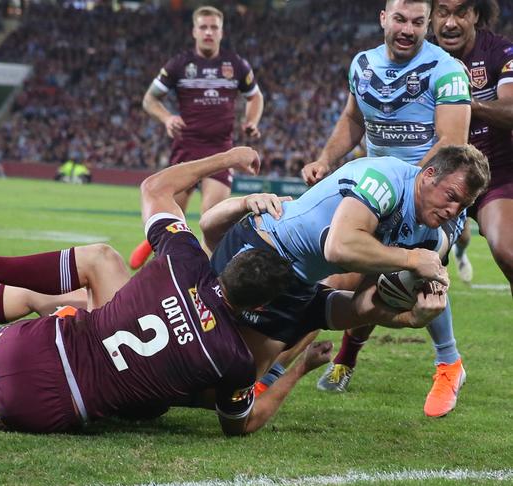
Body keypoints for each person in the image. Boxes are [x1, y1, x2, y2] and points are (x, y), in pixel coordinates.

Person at [0, 147, 334, 435]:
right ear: (261, 305)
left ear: (230, 261)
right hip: (61, 402)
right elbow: (241, 424)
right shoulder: (231, 359)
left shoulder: (184, 262)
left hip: (45, 345)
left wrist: (230, 159)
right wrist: (300, 368)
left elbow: (156, 188)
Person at [202, 144, 489, 415]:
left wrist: (411, 318)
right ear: (429, 175)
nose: (453, 210)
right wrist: (411, 259)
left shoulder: (424, 233)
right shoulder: (384, 180)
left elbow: (360, 308)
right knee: (196, 336)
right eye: (451, 196)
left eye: (462, 205)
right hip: (262, 247)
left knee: (231, 388)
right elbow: (338, 247)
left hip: (299, 287)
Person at [300, 0, 474, 417]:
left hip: (431, 199)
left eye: (418, 22)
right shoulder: (362, 65)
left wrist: (401, 187)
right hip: (378, 197)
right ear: (383, 18)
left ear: (428, 23)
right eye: (400, 19)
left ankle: (449, 363)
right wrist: (327, 160)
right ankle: (284, 367)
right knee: (336, 271)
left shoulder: (447, 71)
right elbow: (352, 121)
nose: (408, 29)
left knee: (412, 268)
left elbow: (452, 146)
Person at [129, 5, 264, 270]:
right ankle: (163, 271)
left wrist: (252, 121)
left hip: (221, 151)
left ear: (222, 32)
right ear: (194, 31)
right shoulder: (179, 64)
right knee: (169, 223)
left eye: (214, 27)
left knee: (211, 220)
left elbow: (255, 96)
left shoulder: (235, 65)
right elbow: (149, 99)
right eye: (203, 27)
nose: (209, 32)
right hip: (186, 150)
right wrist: (167, 118)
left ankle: (202, 279)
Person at [432, 0, 513, 295]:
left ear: (476, 14)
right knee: (406, 274)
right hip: (441, 176)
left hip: (496, 174)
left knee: (509, 253)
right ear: (431, 16)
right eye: (443, 12)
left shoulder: (500, 51)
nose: (451, 22)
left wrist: (465, 103)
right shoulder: (421, 57)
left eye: (461, 12)